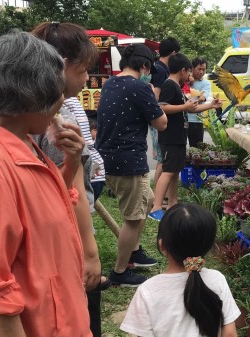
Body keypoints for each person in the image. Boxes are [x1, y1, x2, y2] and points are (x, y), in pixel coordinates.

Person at [0, 31, 91, 337]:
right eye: (55, 92)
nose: (62, 100)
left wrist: (72, 164)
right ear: (29, 95)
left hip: (59, 317)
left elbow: (46, 210)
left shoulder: (23, 142)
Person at [31, 21, 107, 337]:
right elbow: (72, 190)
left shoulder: (56, 109)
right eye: (82, 69)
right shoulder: (51, 120)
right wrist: (89, 252)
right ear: (59, 66)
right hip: (63, 234)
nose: (87, 77)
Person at [96, 43, 168, 286]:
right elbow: (162, 123)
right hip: (129, 160)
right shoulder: (140, 87)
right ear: (145, 66)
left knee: (146, 200)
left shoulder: (110, 83)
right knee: (133, 217)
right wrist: (151, 94)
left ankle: (135, 252)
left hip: (108, 158)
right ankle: (120, 272)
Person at [121, 203, 241, 337]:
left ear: (162, 245)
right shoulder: (217, 280)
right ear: (209, 246)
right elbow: (230, 334)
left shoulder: (148, 291)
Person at [148, 54, 221, 221]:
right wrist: (185, 105)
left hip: (178, 136)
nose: (189, 76)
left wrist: (211, 105)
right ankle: (157, 207)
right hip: (170, 137)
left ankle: (173, 203)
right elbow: (162, 108)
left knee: (175, 171)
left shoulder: (177, 87)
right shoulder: (169, 85)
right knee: (168, 171)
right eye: (188, 72)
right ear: (182, 70)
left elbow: (190, 109)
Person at [150, 37, 181, 207]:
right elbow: (156, 97)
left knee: (164, 161)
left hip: (157, 118)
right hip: (160, 120)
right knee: (163, 161)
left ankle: (166, 198)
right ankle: (157, 201)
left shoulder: (157, 67)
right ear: (174, 53)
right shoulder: (162, 71)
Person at [188, 57, 214, 147]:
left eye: (204, 69)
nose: (201, 72)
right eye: (199, 69)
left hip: (197, 120)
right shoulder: (185, 80)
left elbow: (202, 98)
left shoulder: (206, 83)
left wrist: (189, 99)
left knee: (196, 147)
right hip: (183, 119)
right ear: (192, 68)